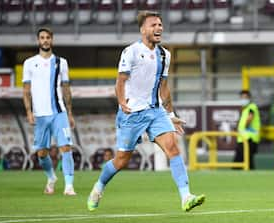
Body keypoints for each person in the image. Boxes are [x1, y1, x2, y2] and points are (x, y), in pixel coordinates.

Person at [87, 11, 205, 212]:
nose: (158, 28)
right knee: (122, 160)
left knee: (173, 149)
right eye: (153, 25)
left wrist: (170, 114)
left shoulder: (164, 54)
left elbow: (164, 87)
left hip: (156, 111)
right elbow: (120, 81)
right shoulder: (131, 52)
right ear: (143, 30)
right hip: (132, 113)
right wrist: (122, 102)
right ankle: (98, 187)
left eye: (160, 24)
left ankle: (186, 197)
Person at [22, 27, 76, 195]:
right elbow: (26, 90)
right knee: (41, 153)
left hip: (59, 113)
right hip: (40, 115)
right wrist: (29, 112)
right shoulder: (29, 63)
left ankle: (69, 186)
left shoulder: (62, 62)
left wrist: (70, 112)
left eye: (48, 37)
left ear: (52, 40)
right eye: (42, 37)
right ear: (38, 40)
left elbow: (66, 89)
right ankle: (51, 177)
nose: (45, 40)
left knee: (66, 147)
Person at [234, 90, 261, 169]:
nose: (243, 99)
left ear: (249, 98)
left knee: (243, 161)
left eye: (245, 97)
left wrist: (246, 125)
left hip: (249, 139)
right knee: (246, 161)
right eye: (242, 97)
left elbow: (250, 117)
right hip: (243, 139)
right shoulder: (244, 109)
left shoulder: (252, 107)